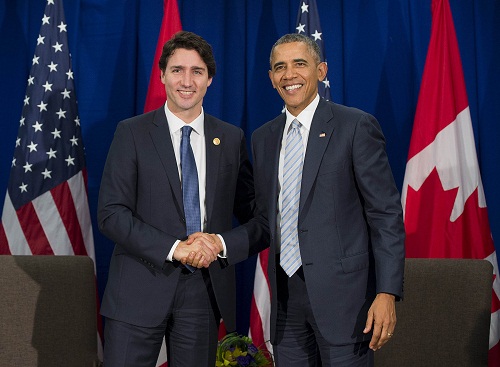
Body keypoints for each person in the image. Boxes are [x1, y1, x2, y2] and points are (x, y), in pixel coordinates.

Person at [188, 33, 405, 366]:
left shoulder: (355, 127)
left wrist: (387, 293)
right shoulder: (263, 138)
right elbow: (265, 220)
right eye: (280, 67)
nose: (289, 75)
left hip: (347, 304)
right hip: (286, 305)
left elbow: (385, 215)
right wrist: (219, 243)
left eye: (299, 64)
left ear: (321, 70)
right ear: (272, 78)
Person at [97, 31, 254, 367]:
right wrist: (175, 248)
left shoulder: (230, 138)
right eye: (177, 70)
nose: (187, 80)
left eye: (197, 71)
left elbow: (255, 216)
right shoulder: (132, 133)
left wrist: (220, 242)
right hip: (137, 291)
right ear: (162, 75)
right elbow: (111, 213)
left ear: (209, 79)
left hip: (202, 294)